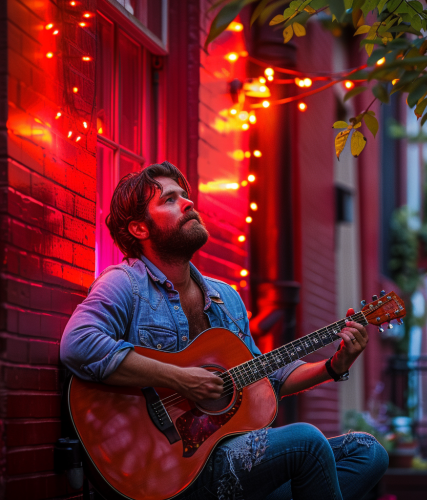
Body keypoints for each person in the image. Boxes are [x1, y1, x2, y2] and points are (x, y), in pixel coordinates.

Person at [60, 161, 388, 500]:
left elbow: (266, 375)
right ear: (140, 229)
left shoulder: (225, 298)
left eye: (185, 196)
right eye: (170, 200)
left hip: (229, 453)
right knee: (305, 441)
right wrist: (179, 378)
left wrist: (335, 365)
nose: (188, 203)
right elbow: (79, 345)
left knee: (367, 450)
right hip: (167, 466)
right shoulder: (124, 284)